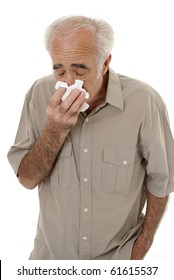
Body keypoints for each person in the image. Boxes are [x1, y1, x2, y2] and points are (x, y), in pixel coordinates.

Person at [7, 15, 174, 260]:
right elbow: (28, 180)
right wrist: (56, 128)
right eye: (59, 69)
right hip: (50, 259)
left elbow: (162, 179)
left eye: (80, 69)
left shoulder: (144, 101)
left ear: (105, 63)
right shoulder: (38, 93)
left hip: (118, 259)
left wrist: (141, 247)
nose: (69, 81)